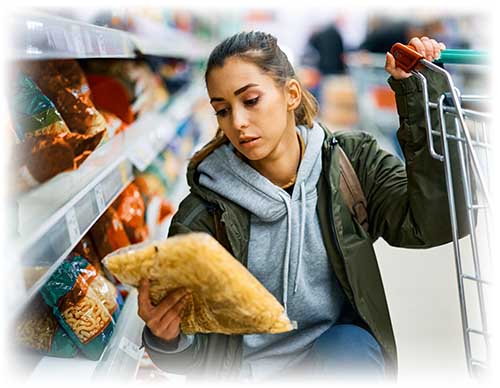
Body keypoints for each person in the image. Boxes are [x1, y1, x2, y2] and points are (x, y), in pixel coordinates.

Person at [137, 31, 466, 382]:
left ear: (291, 94)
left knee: (351, 346)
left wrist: (421, 95)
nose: (238, 122)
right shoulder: (202, 218)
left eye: (250, 100)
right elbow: (198, 359)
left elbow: (434, 222)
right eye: (222, 110)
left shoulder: (349, 164)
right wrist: (167, 339)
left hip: (331, 362)